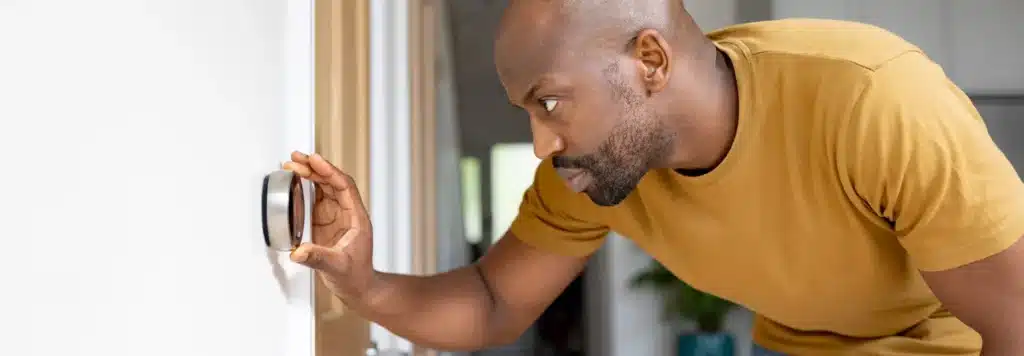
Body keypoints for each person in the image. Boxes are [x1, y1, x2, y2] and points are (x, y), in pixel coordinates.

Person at [281, 0, 1024, 354]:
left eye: (549, 102)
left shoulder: (873, 99)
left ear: (652, 62)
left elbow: (1014, 324)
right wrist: (364, 282)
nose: (542, 144)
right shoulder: (591, 170)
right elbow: (489, 304)